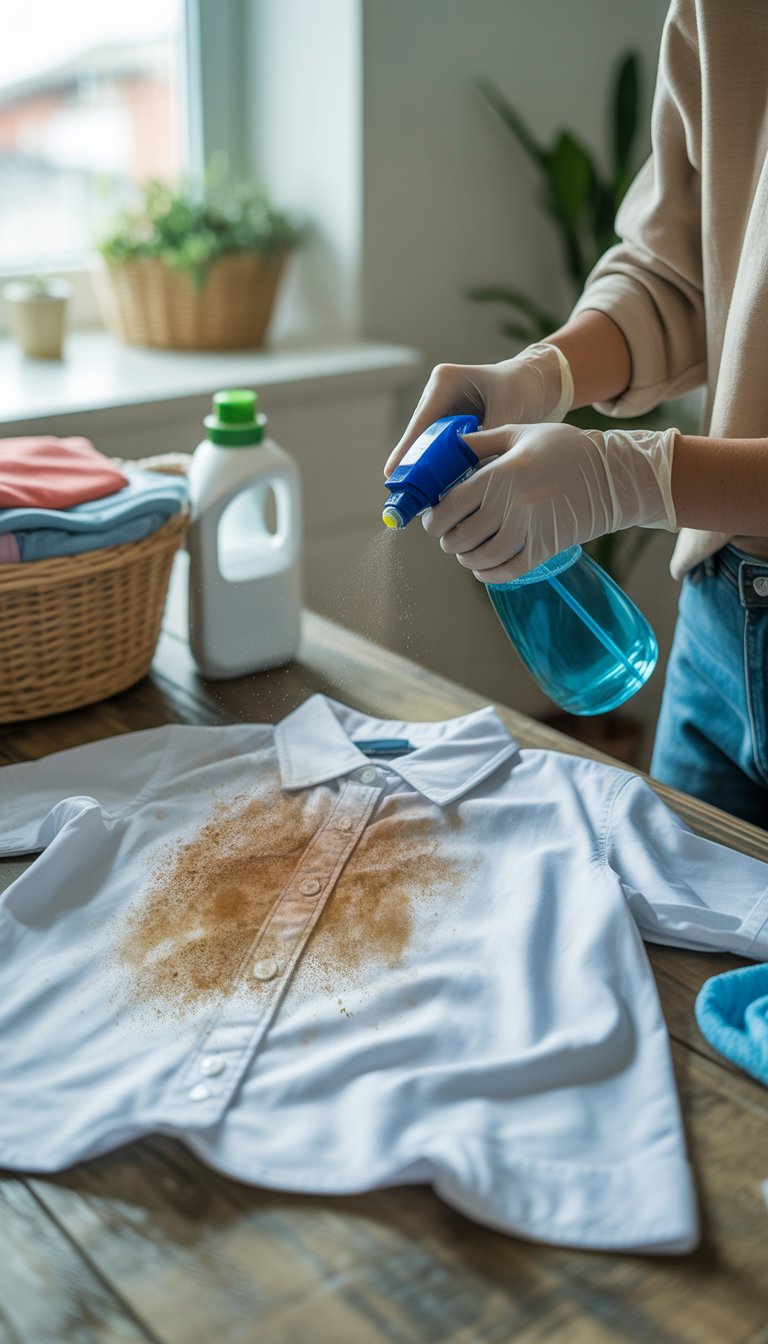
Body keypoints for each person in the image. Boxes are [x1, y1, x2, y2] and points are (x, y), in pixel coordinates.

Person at [384, 0, 768, 829]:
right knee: (666, 951)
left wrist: (633, 476)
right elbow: (681, 269)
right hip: (721, 619)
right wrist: (543, 372)